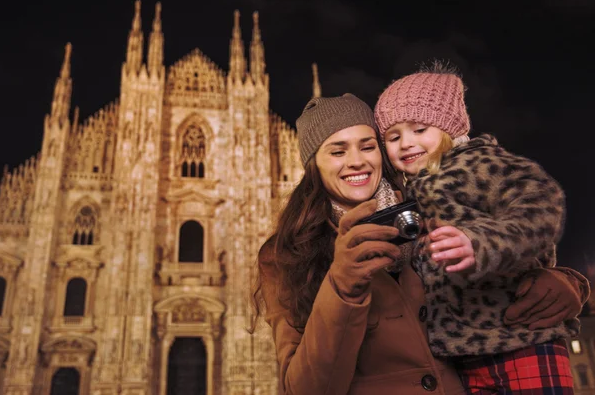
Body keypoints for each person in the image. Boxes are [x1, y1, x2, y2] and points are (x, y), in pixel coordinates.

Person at [252, 93, 590, 395]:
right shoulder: (287, 254)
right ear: (314, 165)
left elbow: (502, 253)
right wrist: (341, 286)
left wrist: (564, 282)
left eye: (368, 146)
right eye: (337, 151)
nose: (356, 161)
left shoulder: (430, 205)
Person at [374, 61, 581, 393]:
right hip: (463, 354)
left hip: (522, 339)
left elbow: (542, 204)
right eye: (393, 136)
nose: (406, 143)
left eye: (420, 129)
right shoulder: (411, 194)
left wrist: (480, 243)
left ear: (449, 129)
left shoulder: (482, 164)